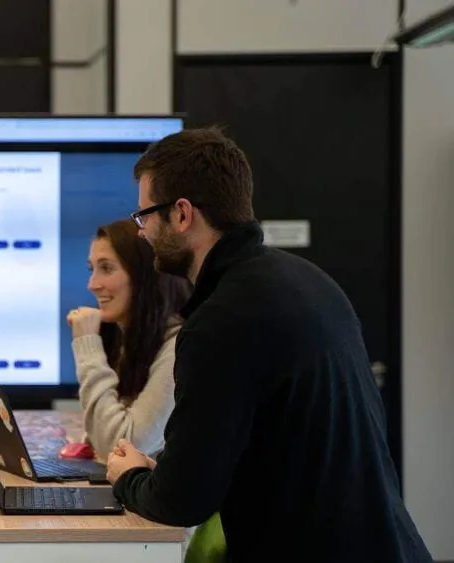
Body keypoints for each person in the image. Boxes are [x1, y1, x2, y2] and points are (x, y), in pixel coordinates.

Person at [105, 128, 432, 562]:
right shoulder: (307, 280)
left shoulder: (222, 320)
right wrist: (159, 476)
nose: (142, 233)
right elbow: (268, 443)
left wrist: (127, 479)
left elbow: (183, 502)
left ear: (182, 214)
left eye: (144, 216)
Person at [66, 219, 190, 457]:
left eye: (107, 268)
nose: (92, 285)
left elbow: (123, 446)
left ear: (145, 274)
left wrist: (87, 347)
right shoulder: (130, 338)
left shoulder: (178, 349)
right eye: (92, 269)